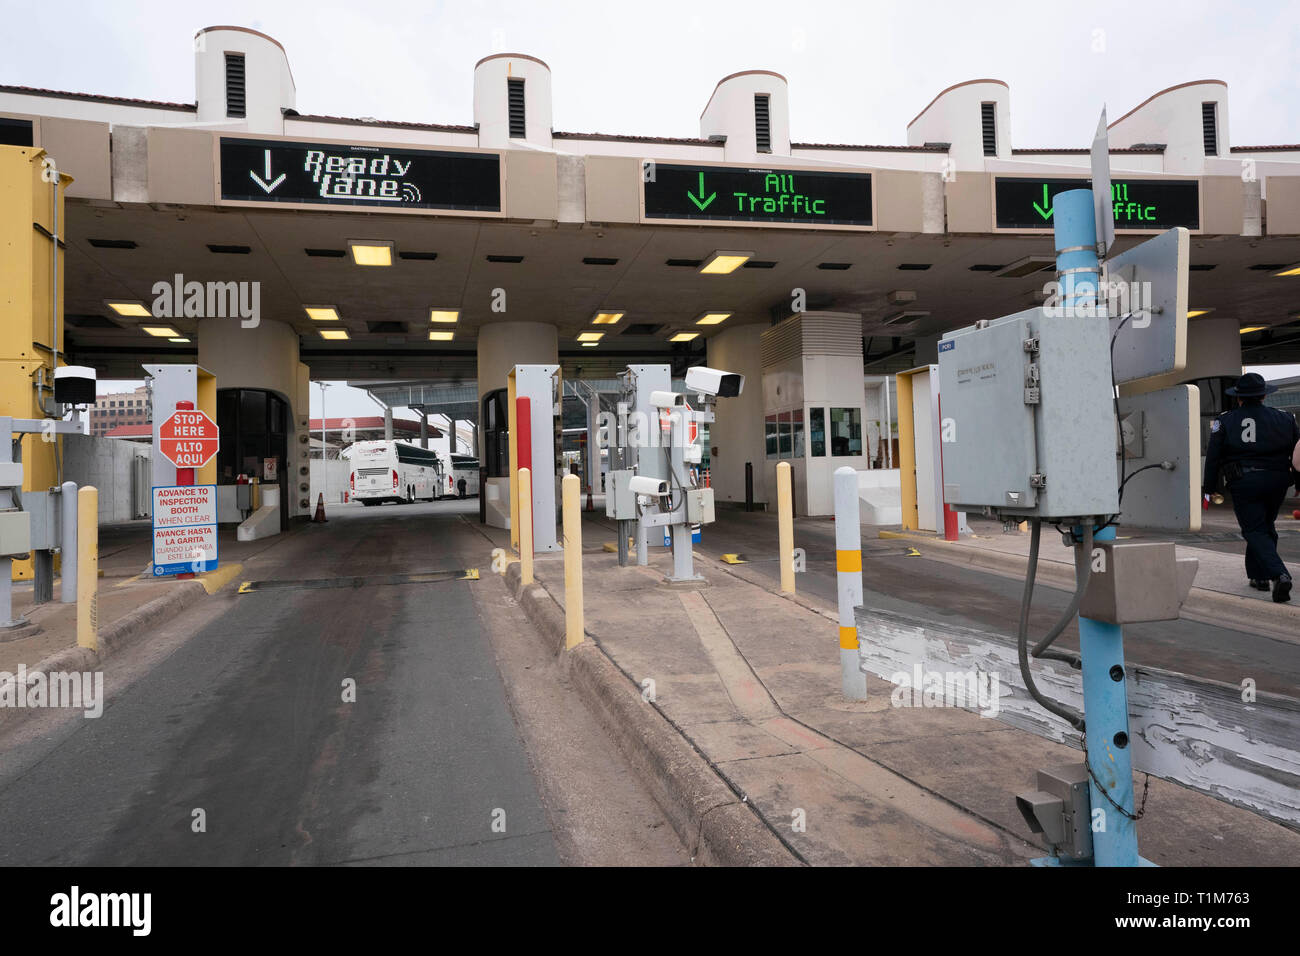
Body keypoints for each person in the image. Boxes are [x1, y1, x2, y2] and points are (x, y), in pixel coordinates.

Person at [1203, 372, 1300, 603]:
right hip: (1278, 481)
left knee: (1254, 529)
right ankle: (1259, 577)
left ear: (1239, 398)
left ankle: (1279, 574)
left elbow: (1214, 456)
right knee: (1265, 526)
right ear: (1264, 395)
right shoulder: (1286, 418)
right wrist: (1298, 481)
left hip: (1244, 481)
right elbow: (1298, 452)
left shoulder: (1225, 420)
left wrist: (1208, 487)